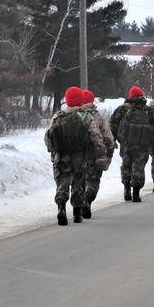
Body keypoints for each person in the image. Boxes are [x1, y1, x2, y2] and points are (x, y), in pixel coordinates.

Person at [44, 86, 106, 225]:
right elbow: (96, 136)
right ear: (81, 100)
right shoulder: (86, 117)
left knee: (62, 182)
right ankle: (77, 214)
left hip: (61, 155)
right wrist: (101, 153)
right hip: (79, 156)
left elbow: (48, 136)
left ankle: (61, 208)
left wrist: (53, 152)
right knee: (78, 183)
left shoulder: (58, 116)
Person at [111, 86, 154, 202]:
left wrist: (116, 138)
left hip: (126, 145)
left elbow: (112, 124)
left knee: (126, 165)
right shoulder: (149, 110)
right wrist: (152, 138)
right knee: (138, 167)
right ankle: (136, 193)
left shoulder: (122, 109)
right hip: (142, 145)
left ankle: (126, 188)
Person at [79, 89, 114, 219]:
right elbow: (108, 136)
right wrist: (108, 152)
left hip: (77, 155)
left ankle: (79, 203)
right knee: (92, 180)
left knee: (79, 180)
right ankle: (87, 200)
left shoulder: (74, 115)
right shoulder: (99, 117)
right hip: (95, 154)